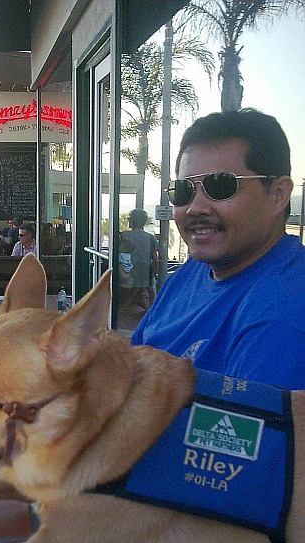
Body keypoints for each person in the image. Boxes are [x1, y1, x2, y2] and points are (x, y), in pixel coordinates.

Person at [132, 108, 305, 390]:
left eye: (221, 185)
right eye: (183, 190)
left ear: (278, 195)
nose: (195, 207)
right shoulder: (190, 273)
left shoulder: (281, 320)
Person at [119, 209, 158, 312]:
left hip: (127, 276)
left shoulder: (123, 235)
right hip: (144, 277)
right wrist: (152, 274)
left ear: (132, 221)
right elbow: (155, 260)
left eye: (129, 219)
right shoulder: (151, 238)